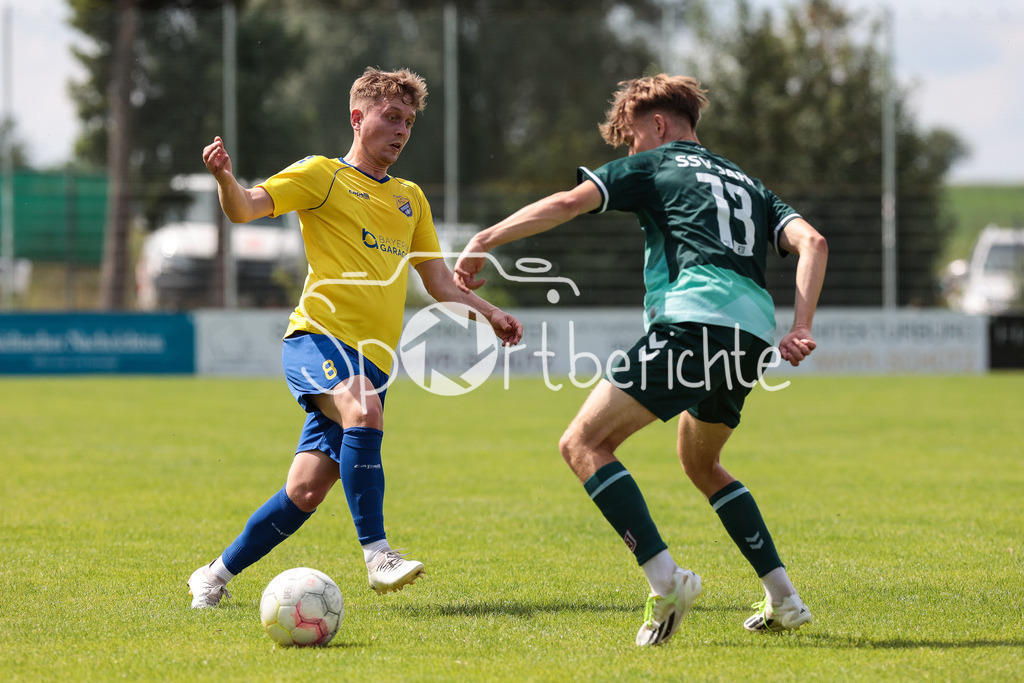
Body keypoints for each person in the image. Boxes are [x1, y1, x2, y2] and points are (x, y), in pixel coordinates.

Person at [454, 74, 827, 646]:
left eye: (630, 139)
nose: (629, 152)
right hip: (751, 335)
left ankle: (666, 579)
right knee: (700, 463)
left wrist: (485, 238)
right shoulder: (752, 185)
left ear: (657, 125)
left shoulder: (657, 163)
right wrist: (800, 326)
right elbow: (814, 243)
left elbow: (567, 203)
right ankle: (785, 599)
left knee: (582, 444)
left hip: (693, 324)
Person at [188, 67, 523, 609]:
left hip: (373, 363)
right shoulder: (322, 175)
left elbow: (438, 281)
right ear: (357, 117)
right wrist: (226, 179)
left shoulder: (410, 198)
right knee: (363, 409)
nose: (401, 130)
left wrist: (488, 312)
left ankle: (214, 575)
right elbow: (247, 208)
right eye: (391, 117)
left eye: (409, 122)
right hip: (318, 338)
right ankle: (378, 556)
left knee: (305, 491)